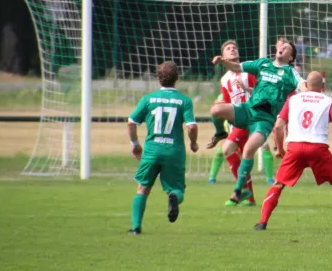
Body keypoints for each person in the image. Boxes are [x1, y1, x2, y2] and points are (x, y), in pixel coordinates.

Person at [254, 71, 332, 231]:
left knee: (278, 184)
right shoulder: (328, 101)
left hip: (294, 147)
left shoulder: (292, 99)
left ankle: (262, 222)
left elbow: (279, 125)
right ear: (322, 86)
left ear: (306, 85)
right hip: (318, 148)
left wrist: (280, 148)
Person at [211, 40, 306, 204]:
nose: (282, 48)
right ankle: (220, 133)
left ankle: (238, 191)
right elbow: (236, 67)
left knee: (248, 149)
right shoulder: (263, 63)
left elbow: (302, 85)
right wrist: (222, 61)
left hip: (264, 120)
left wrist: (311, 91)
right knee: (215, 110)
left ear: (290, 57)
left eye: (287, 48)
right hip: (247, 109)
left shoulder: (290, 72)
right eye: (281, 46)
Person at [126, 61, 199, 235]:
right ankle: (173, 197)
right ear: (177, 78)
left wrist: (135, 144)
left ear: (158, 78)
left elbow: (131, 123)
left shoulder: (148, 99)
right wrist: (193, 143)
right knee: (177, 189)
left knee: (143, 188)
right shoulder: (184, 100)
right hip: (173, 152)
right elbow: (192, 127)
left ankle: (136, 228)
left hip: (152, 150)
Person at [206, 40, 257, 206]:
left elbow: (261, 92)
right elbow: (228, 103)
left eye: (235, 47)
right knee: (243, 158)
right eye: (228, 48)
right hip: (237, 122)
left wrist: (247, 89)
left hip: (251, 118)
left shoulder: (248, 71)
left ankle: (238, 191)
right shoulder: (224, 79)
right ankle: (249, 198)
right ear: (224, 56)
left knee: (227, 149)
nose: (233, 49)